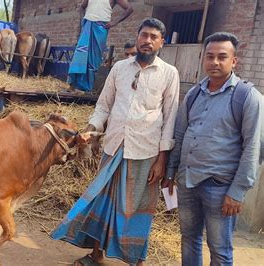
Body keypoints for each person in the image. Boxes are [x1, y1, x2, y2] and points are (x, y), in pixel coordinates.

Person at [52, 18, 180, 266]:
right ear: (138, 36)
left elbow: (171, 117)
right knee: (103, 201)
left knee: (137, 209)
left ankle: (135, 260)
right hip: (113, 147)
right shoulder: (120, 68)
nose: (148, 40)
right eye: (144, 35)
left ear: (162, 42)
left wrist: (162, 160)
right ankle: (96, 254)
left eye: (154, 37)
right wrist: (90, 129)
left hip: (145, 152)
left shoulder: (169, 73)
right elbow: (103, 106)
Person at [164, 32, 262, 265]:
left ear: (234, 61)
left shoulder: (247, 97)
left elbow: (253, 148)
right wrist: (170, 172)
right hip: (187, 182)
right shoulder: (194, 94)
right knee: (189, 239)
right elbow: (180, 134)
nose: (214, 62)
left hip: (221, 188)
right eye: (210, 56)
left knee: (219, 249)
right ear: (203, 59)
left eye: (222, 57)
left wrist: (237, 192)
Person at [67, 0, 133, 93]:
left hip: (101, 28)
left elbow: (129, 9)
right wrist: (83, 21)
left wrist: (115, 22)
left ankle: (86, 89)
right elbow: (82, 7)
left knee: (94, 58)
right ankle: (72, 86)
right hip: (87, 26)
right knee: (80, 54)